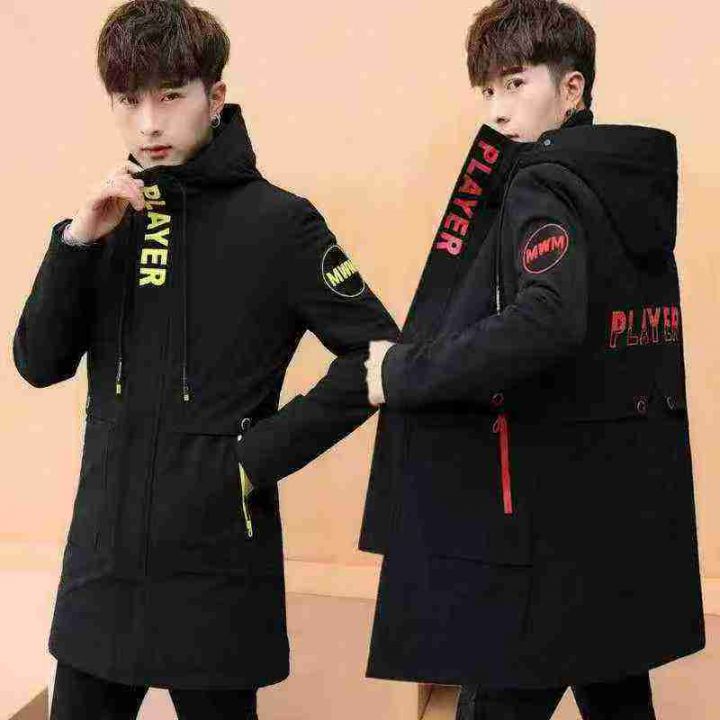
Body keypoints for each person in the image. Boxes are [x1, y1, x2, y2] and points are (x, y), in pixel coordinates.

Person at [12, 1, 399, 717]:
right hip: (102, 568)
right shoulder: (102, 224)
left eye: (169, 97)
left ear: (214, 96)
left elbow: (377, 353)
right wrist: (76, 243)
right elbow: (39, 364)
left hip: (216, 565)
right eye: (128, 101)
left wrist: (254, 458)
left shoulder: (280, 222)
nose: (148, 124)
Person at [360, 1, 705, 718]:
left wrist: (403, 372)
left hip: (545, 525)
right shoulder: (626, 182)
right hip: (622, 511)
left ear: (572, 88)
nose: (497, 109)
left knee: (502, 692)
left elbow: (547, 319)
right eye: (488, 90)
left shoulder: (541, 181)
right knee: (616, 686)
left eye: (516, 84)